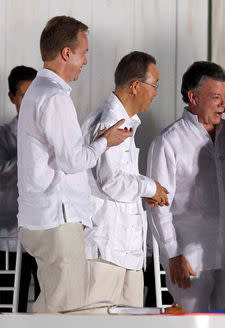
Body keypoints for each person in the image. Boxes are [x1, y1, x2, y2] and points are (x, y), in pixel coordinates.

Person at [17, 16, 132, 313]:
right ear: (67, 53)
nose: (84, 61)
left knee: (52, 306)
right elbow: (72, 161)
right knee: (68, 311)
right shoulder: (54, 97)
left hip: (41, 216)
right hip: (58, 218)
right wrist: (106, 141)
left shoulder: (35, 93)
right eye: (83, 53)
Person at [147, 61, 225, 313]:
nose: (223, 104)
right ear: (193, 97)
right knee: (191, 324)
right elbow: (157, 206)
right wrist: (172, 254)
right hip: (189, 257)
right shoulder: (168, 141)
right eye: (215, 97)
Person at [82, 51, 169, 307]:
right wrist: (150, 187)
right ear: (135, 86)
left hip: (123, 250)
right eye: (154, 86)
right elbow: (112, 181)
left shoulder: (123, 120)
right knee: (98, 323)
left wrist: (145, 192)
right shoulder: (110, 121)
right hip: (106, 250)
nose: (155, 93)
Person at [0, 66, 40, 312]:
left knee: (48, 308)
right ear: (12, 98)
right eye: (24, 95)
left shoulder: (49, 133)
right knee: (9, 311)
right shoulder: (3, 136)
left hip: (42, 237)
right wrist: (33, 153)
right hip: (9, 241)